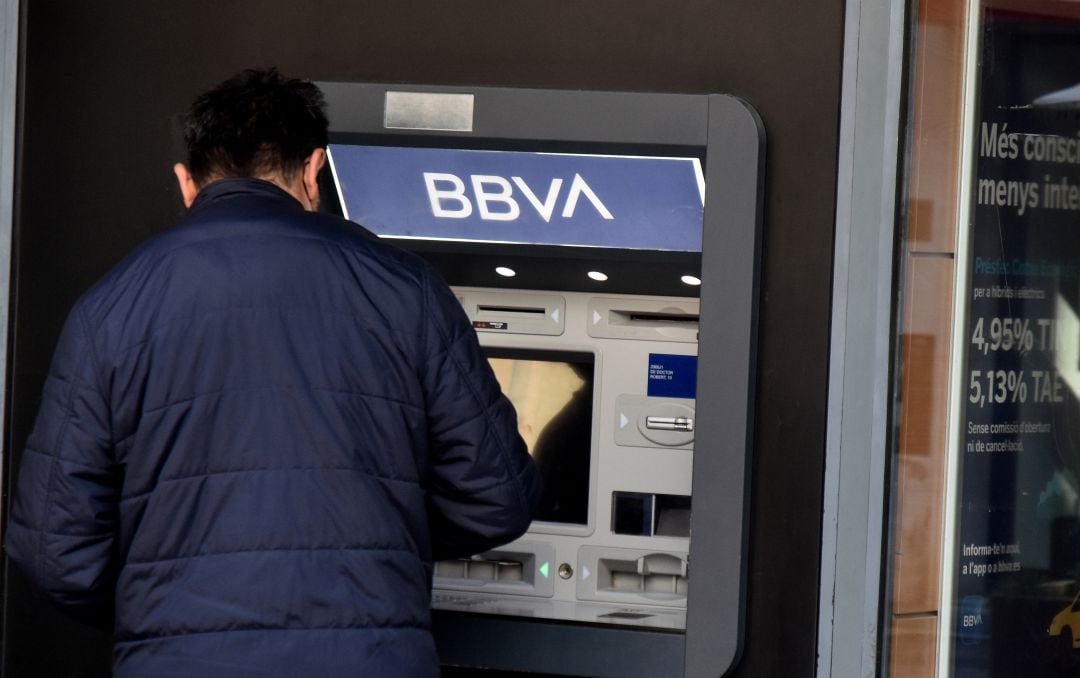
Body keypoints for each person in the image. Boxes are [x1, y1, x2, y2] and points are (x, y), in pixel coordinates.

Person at [4, 68, 541, 677]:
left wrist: (162, 608)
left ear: (187, 183)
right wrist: (379, 547)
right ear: (314, 172)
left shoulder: (110, 307)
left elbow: (52, 547)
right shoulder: (406, 290)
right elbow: (497, 498)